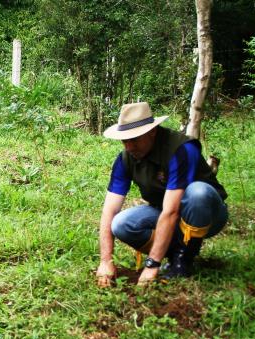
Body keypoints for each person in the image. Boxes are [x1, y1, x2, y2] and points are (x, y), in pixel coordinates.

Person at [96, 102, 228, 287]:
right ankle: (175, 253)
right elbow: (109, 211)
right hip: (164, 212)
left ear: (152, 132)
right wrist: (105, 260)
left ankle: (184, 259)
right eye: (124, 140)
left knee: (198, 192)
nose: (129, 146)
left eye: (135, 139)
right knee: (121, 224)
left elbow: (172, 211)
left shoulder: (181, 149)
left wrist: (152, 264)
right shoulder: (126, 159)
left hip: (208, 214)